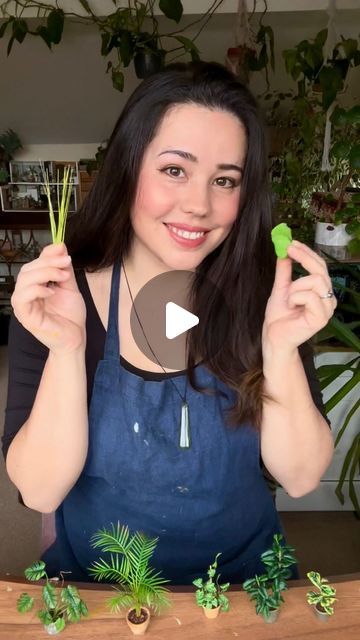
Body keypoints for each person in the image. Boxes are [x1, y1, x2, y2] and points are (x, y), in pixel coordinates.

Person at [2, 61, 335, 584]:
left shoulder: (264, 300)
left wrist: (281, 348)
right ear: (130, 168)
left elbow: (300, 477)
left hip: (247, 588)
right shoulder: (56, 300)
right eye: (175, 170)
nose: (199, 205)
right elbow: (40, 491)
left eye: (224, 180)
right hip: (100, 593)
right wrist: (68, 348)